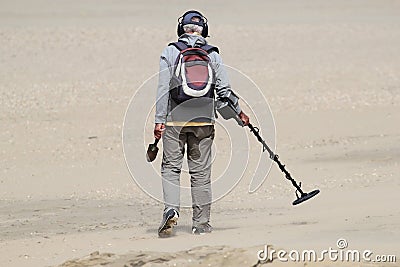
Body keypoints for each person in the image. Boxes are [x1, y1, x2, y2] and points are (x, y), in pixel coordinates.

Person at [154, 10, 249, 237]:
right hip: (204, 120)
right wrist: (239, 114)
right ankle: (201, 225)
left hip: (174, 119)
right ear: (203, 30)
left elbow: (162, 88)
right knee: (200, 173)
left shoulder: (170, 51)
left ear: (181, 30)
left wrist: (159, 121)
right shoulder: (213, 54)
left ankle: (171, 210)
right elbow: (224, 91)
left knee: (171, 168)